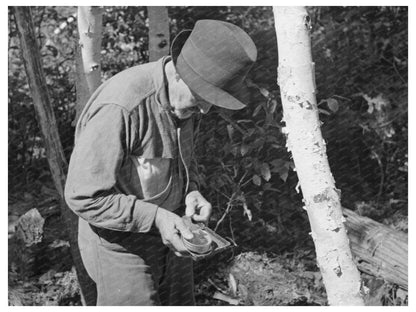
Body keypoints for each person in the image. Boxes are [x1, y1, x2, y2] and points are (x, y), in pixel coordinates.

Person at [64, 19, 257, 306]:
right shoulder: (121, 107)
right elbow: (83, 196)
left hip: (172, 233)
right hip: (120, 243)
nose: (205, 109)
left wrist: (191, 189)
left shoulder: (183, 101)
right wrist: (155, 217)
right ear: (178, 74)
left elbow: (171, 162)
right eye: (203, 96)